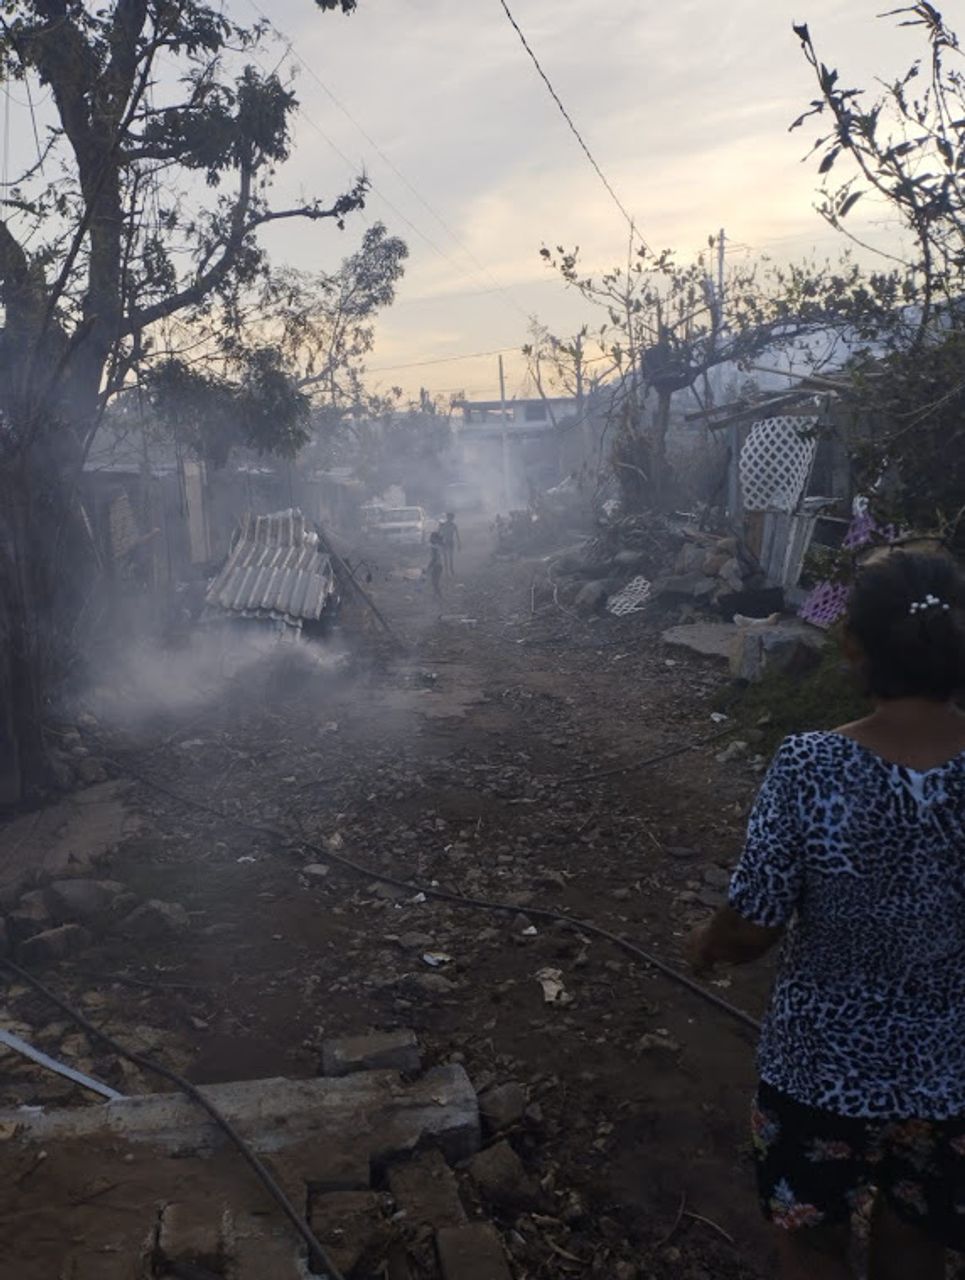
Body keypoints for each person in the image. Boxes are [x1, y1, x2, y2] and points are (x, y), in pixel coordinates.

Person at [690, 550, 965, 1280]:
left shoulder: (811, 764)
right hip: (949, 1078)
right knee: (916, 1242)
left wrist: (707, 946)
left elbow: (753, 926)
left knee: (811, 1247)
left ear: (851, 645)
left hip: (818, 1074)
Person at [439, 512, 461, 576]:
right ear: (447, 517)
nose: (450, 519)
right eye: (449, 517)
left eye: (451, 518)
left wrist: (459, 543)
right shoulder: (444, 525)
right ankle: (447, 571)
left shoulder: (453, 525)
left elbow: (457, 535)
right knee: (446, 557)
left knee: (450, 557)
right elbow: (439, 533)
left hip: (450, 542)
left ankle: (451, 569)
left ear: (452, 518)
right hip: (445, 542)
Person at [426, 530, 444, 602]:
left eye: (432, 537)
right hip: (438, 566)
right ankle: (436, 595)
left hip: (436, 566)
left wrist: (429, 566)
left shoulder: (434, 547)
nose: (430, 538)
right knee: (434, 582)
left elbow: (434, 559)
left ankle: (440, 596)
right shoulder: (437, 546)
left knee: (434, 582)